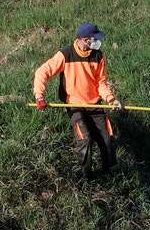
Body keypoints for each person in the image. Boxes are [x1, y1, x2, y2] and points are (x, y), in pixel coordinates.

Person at [33, 23, 124, 177]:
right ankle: (86, 176)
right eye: (94, 39)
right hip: (75, 106)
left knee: (107, 139)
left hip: (95, 105)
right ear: (84, 39)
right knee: (85, 140)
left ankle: (111, 175)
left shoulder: (98, 56)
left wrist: (111, 99)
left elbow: (101, 83)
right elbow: (42, 72)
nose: (97, 42)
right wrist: (39, 96)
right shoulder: (65, 55)